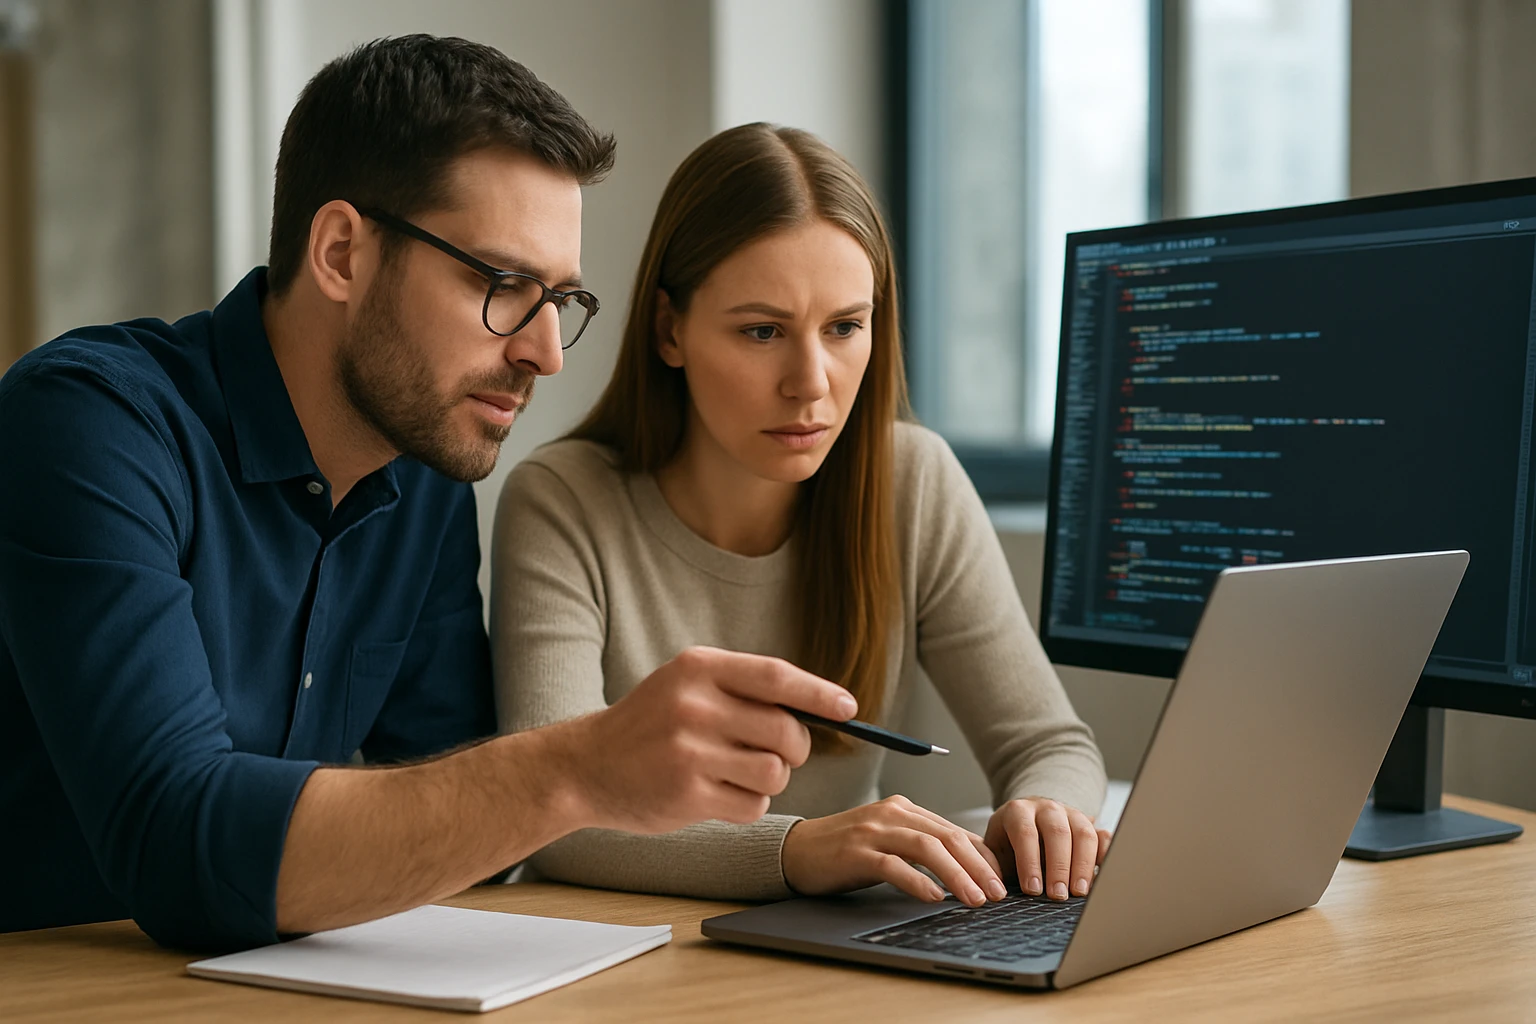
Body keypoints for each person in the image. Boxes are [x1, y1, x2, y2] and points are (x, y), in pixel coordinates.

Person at [0, 38, 858, 950]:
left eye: (560, 299)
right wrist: (580, 765)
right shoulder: (87, 427)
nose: (545, 352)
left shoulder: (423, 474)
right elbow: (175, 844)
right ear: (340, 253)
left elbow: (463, 812)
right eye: (500, 285)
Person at [493, 123, 1110, 911]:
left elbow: (1049, 744)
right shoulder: (562, 500)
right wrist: (797, 848)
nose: (811, 383)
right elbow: (552, 816)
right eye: (762, 331)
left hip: (844, 952)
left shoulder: (911, 479)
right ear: (669, 330)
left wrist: (1047, 813)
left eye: (845, 327)